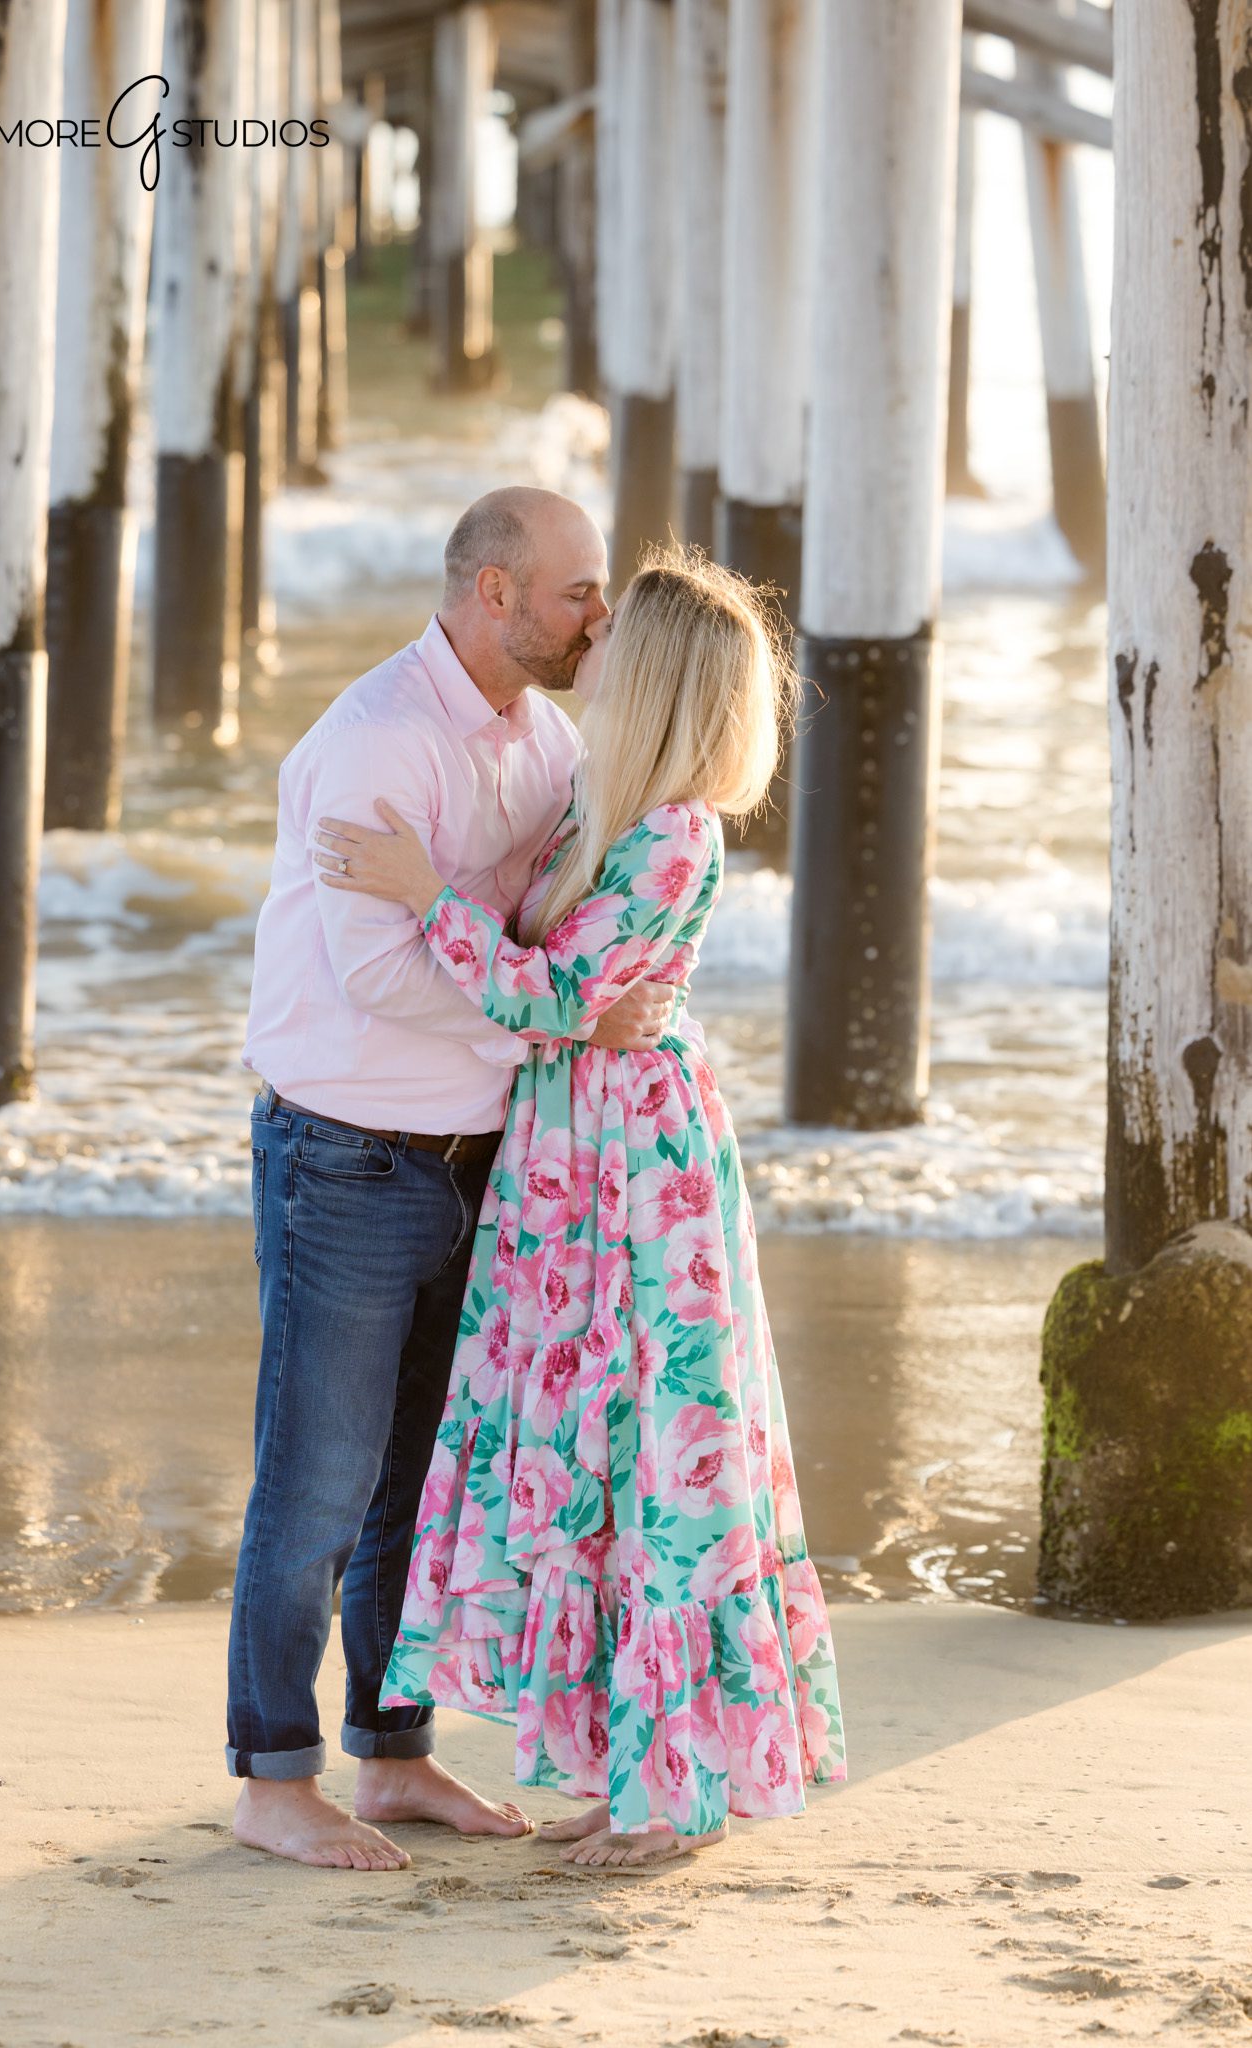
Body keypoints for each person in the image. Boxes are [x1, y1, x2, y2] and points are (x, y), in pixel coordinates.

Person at [312, 550, 846, 1868]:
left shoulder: (673, 837)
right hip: (570, 1161)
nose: (589, 633)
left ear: (655, 675)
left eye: (614, 626)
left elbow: (546, 997)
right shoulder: (596, 809)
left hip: (636, 1168)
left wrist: (417, 894)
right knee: (598, 1450)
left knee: (663, 1452)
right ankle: (629, 1769)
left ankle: (679, 1794)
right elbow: (554, 991)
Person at [230, 488, 676, 1871]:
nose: (598, 615)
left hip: (477, 1157)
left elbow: (561, 923)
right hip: (346, 1158)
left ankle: (395, 1754)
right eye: (575, 592)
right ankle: (270, 1777)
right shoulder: (373, 741)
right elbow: (378, 972)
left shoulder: (540, 738)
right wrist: (559, 1018)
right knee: (314, 1481)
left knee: (418, 1487)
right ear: (491, 593)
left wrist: (594, 996)